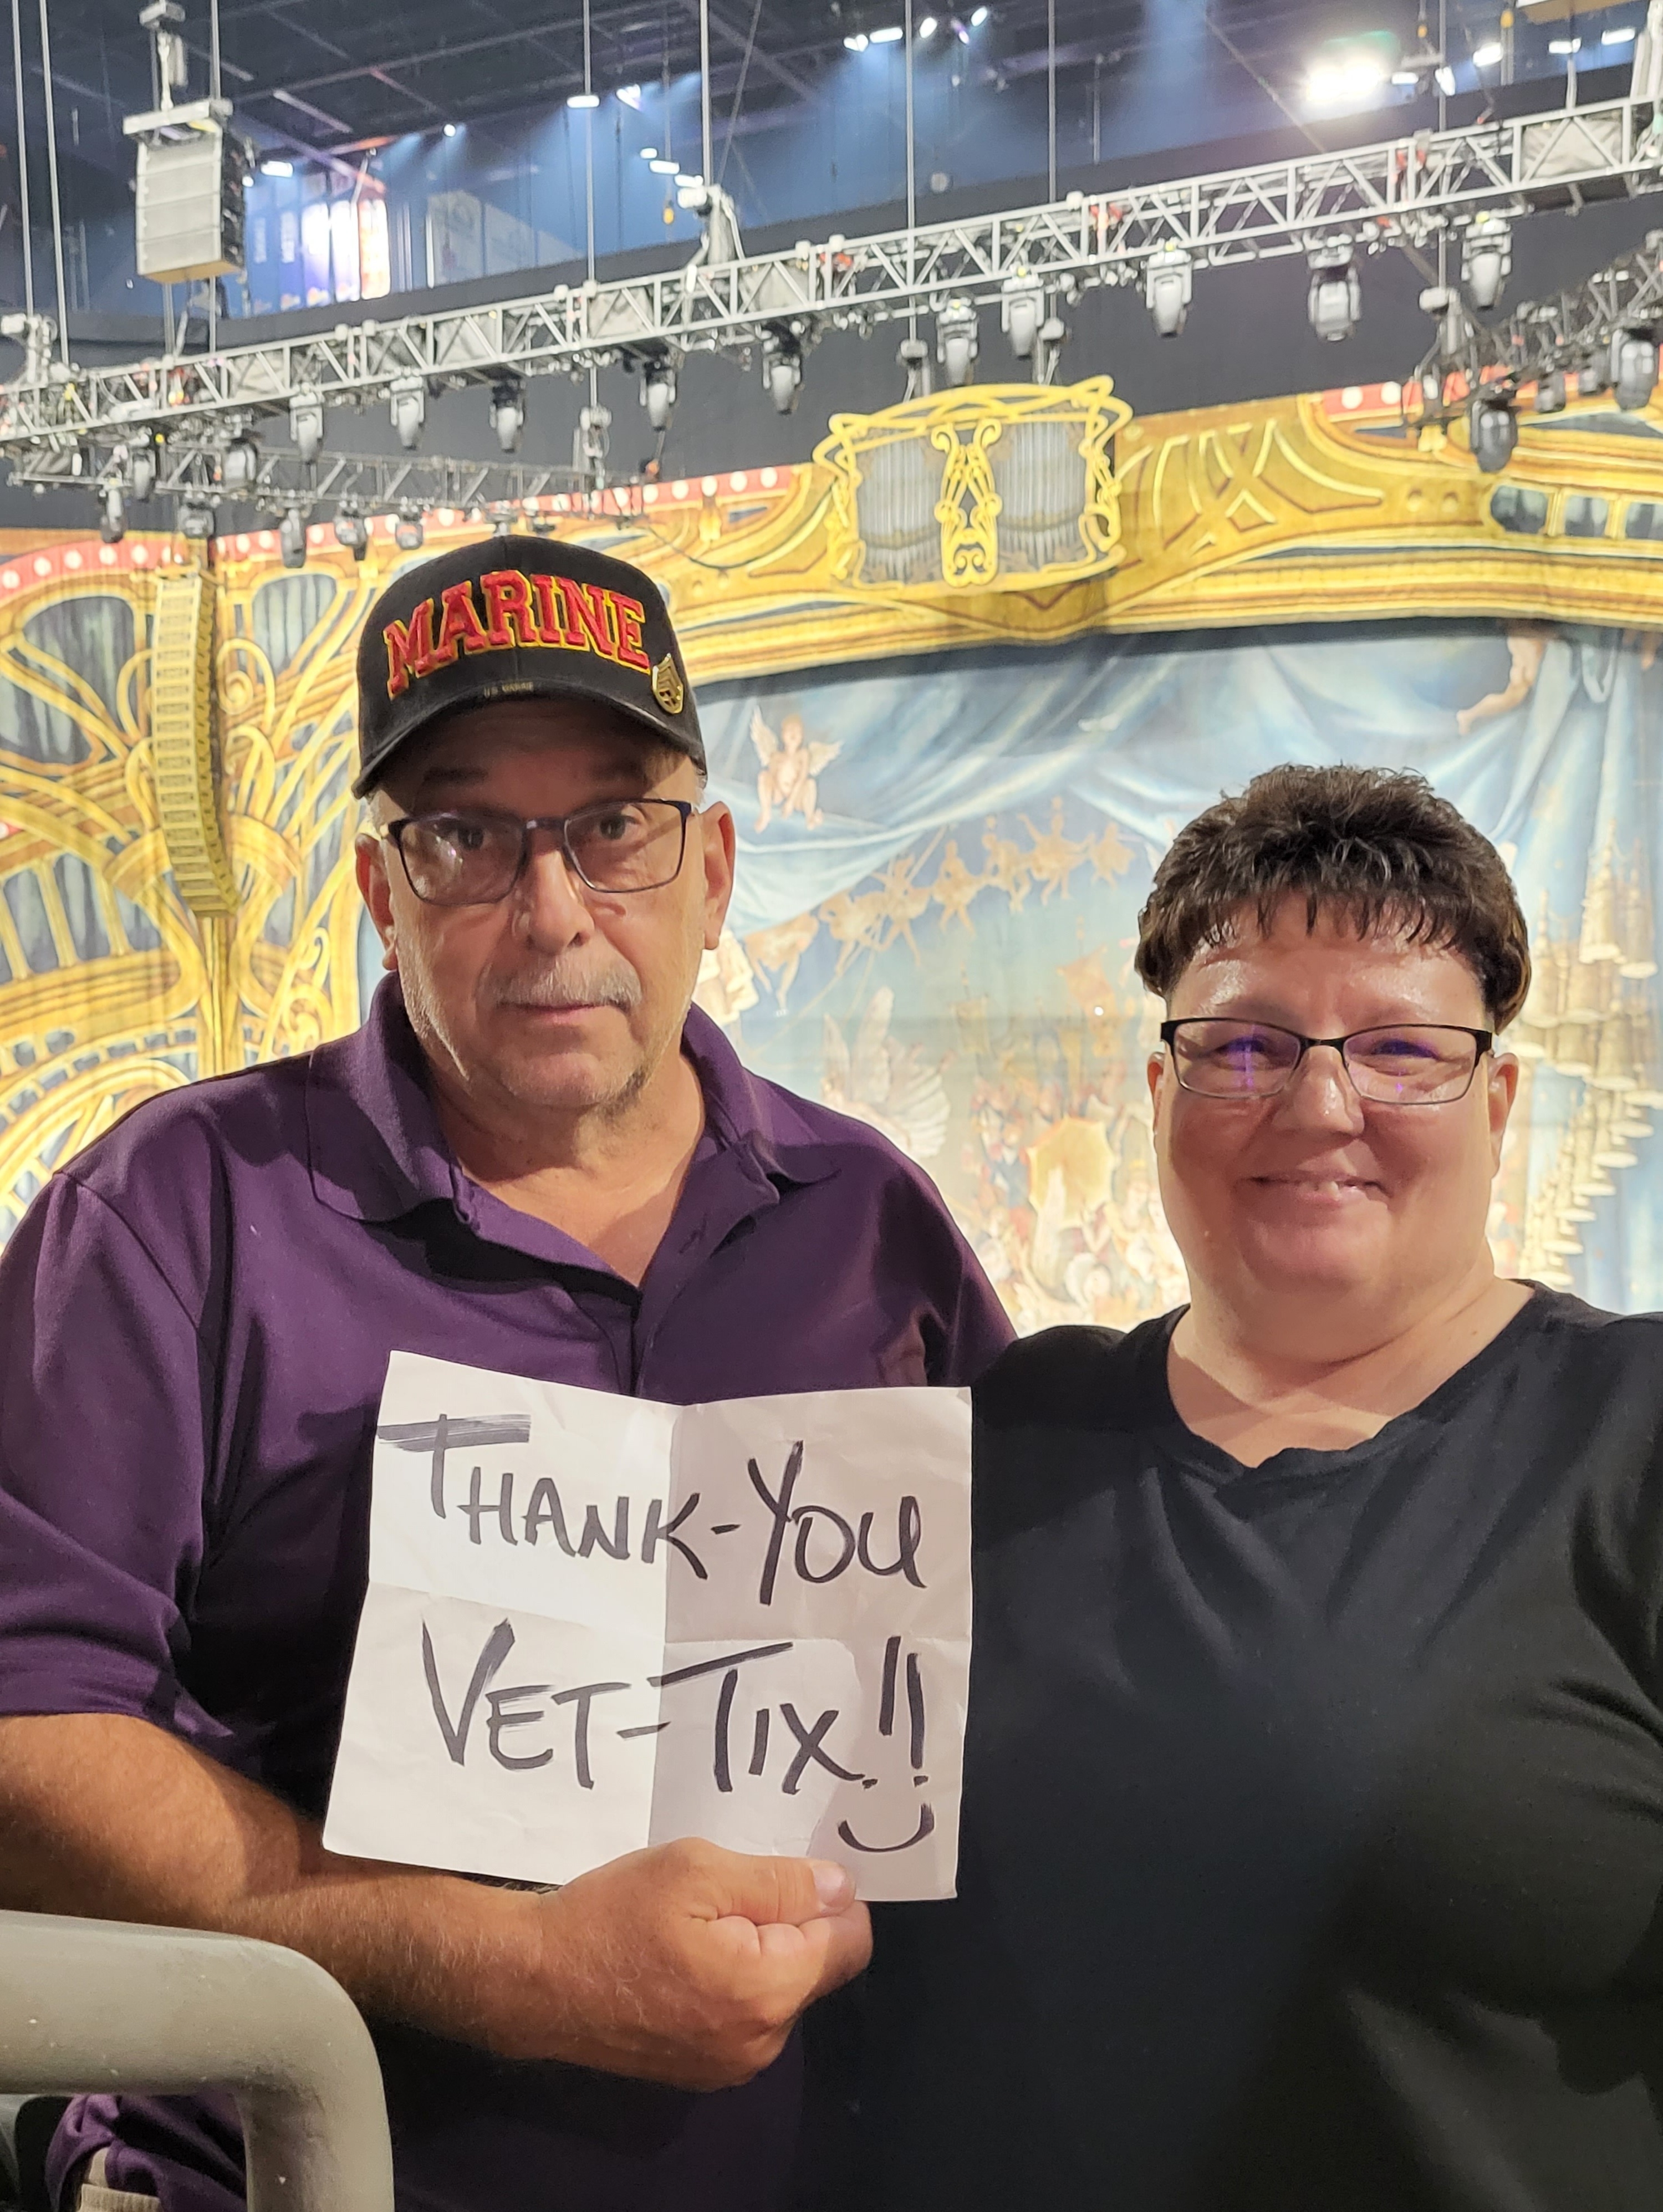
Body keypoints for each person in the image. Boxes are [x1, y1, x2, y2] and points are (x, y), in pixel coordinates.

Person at [0, 535, 1012, 2212]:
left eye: (614, 826)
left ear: (712, 870)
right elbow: (24, 1744)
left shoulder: (872, 1226)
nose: (553, 912)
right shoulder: (174, 1214)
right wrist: (513, 1966)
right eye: (466, 837)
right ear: (380, 891)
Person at [861, 763, 1663, 2212]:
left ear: (1500, 1103)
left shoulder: (1633, 1440)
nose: (1319, 1103)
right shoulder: (1009, 1432)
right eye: (1244, 1045)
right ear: (1159, 1092)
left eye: (1402, 1049)